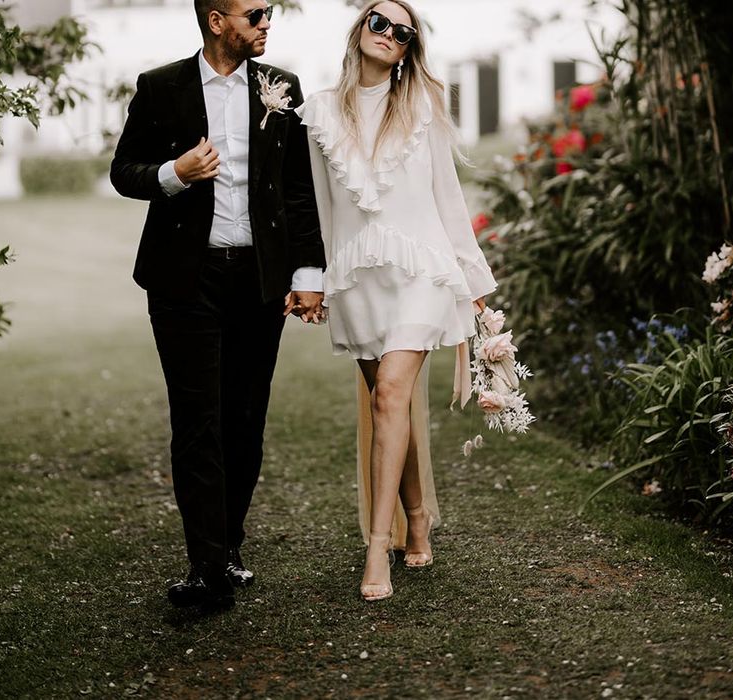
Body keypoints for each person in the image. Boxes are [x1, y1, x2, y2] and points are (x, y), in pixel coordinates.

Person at [110, 0, 325, 610]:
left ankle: (228, 545)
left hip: (257, 280)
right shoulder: (161, 87)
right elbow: (123, 170)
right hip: (185, 280)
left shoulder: (282, 88)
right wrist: (175, 172)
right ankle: (206, 567)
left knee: (245, 417)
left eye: (270, 12)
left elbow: (299, 188)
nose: (266, 22)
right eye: (255, 12)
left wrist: (308, 272)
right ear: (216, 20)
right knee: (197, 420)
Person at [296, 0, 497, 601]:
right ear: (359, 30)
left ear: (409, 50)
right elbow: (320, 210)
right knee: (392, 406)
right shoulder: (317, 114)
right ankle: (416, 516)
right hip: (358, 277)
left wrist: (478, 288)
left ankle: (376, 548)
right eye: (379, 22)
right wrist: (319, 279)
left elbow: (448, 199)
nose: (389, 35)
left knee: (390, 394)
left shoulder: (423, 112)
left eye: (403, 33)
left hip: (421, 271)